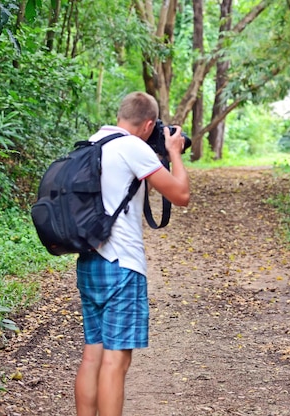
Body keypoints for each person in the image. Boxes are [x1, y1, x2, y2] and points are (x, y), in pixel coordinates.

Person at [73, 91, 190, 416]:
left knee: (92, 355)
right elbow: (180, 194)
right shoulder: (132, 147)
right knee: (116, 359)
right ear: (149, 124)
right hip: (122, 267)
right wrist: (174, 153)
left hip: (89, 262)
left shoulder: (93, 142)